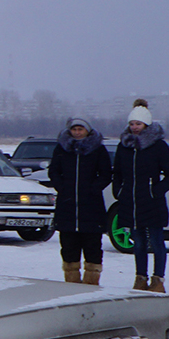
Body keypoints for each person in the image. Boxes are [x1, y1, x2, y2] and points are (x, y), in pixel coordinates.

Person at [114, 99, 169, 293]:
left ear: (146, 124)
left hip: (152, 201)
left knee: (156, 241)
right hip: (131, 201)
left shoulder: (158, 146)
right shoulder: (124, 146)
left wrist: (157, 190)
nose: (135, 127)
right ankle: (140, 277)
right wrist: (119, 191)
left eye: (138, 124)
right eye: (132, 124)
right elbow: (118, 172)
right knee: (138, 242)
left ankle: (158, 279)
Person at [50, 118, 112, 285]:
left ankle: (91, 283)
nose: (77, 132)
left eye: (80, 129)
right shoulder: (62, 149)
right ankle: (71, 283)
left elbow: (106, 173)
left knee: (93, 248)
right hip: (67, 207)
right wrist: (62, 187)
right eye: (74, 129)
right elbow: (54, 171)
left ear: (87, 130)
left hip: (91, 208)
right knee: (69, 249)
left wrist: (93, 188)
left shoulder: (97, 149)